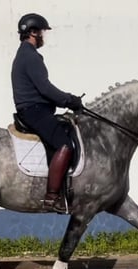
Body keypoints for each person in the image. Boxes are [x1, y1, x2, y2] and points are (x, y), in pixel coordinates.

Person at [11, 13, 84, 213]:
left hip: (34, 109)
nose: (43, 36)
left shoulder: (24, 54)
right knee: (65, 145)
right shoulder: (31, 56)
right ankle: (52, 197)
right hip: (34, 111)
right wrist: (69, 100)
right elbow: (45, 89)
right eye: (42, 32)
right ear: (33, 32)